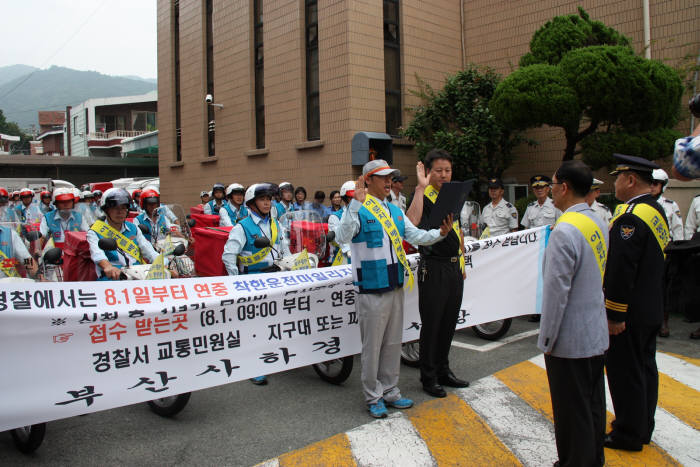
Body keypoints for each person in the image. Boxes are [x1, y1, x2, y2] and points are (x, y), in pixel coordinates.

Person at [335, 159, 453, 418]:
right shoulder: (357, 209)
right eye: (382, 177)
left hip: (395, 283)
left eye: (390, 177)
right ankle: (373, 395)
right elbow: (342, 237)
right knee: (373, 345)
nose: (389, 182)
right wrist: (354, 203)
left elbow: (416, 236)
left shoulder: (396, 210)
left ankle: (390, 390)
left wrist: (440, 233)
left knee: (392, 343)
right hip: (370, 286)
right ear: (368, 180)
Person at [538, 160, 609, 467]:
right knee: (593, 403)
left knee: (571, 409)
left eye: (552, 185)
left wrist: (547, 339)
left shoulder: (565, 231)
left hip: (569, 339)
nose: (551, 191)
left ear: (564, 187)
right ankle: (593, 458)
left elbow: (556, 294)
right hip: (595, 331)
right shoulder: (598, 221)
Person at [604, 153, 669, 452]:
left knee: (625, 372)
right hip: (651, 306)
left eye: (617, 176)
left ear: (630, 180)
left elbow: (620, 269)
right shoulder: (655, 210)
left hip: (629, 311)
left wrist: (614, 314)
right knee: (645, 368)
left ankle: (628, 433)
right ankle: (643, 426)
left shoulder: (629, 215)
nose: (614, 182)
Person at [406, 149, 469, 398]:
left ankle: (444, 370)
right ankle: (428, 376)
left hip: (454, 267)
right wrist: (420, 189)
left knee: (449, 323)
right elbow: (412, 224)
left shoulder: (453, 197)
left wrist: (462, 265)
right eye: (438, 170)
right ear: (428, 172)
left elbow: (458, 233)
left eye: (448, 170)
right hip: (433, 267)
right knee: (432, 325)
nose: (444, 175)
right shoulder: (423, 195)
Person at [222, 183, 287, 386]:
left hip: (275, 278)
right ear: (252, 204)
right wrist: (237, 282)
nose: (267, 202)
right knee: (253, 327)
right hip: (252, 282)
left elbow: (284, 250)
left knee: (275, 321)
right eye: (262, 199)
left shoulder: (276, 224)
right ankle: (253, 365)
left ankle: (273, 354)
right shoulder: (242, 227)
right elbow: (229, 256)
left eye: (269, 199)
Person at [87, 188, 161, 280]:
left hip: (138, 276)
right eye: (115, 208)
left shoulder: (133, 228)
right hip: (113, 279)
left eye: (123, 208)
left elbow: (149, 251)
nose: (120, 212)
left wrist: (163, 265)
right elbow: (97, 254)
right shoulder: (95, 232)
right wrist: (108, 267)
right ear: (106, 210)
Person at [650, 169, 683, 241]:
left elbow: (678, 229)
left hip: (667, 246)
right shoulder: (640, 204)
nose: (652, 186)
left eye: (655, 183)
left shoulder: (671, 205)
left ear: (663, 185)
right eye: (650, 183)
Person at [327, 181, 354, 265]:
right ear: (345, 198)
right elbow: (338, 237)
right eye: (351, 197)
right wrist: (348, 249)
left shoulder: (362, 212)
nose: (355, 200)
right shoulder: (335, 216)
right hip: (343, 256)